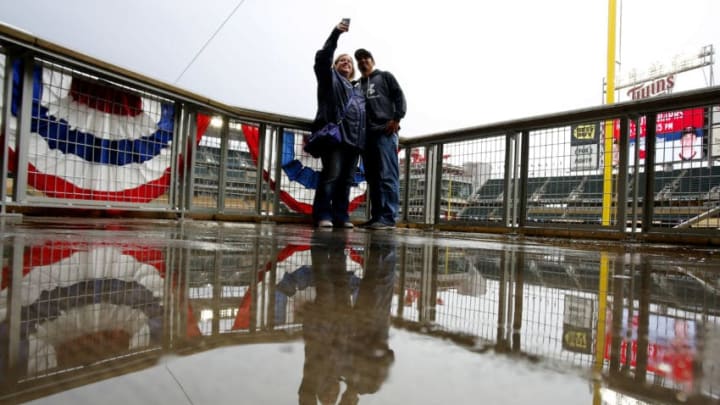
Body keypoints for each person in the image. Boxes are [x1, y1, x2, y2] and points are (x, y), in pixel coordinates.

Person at [310, 21, 366, 229]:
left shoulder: (357, 90)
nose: (346, 62)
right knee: (331, 175)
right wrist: (335, 34)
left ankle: (341, 215)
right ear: (334, 65)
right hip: (335, 137)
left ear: (352, 70)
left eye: (349, 62)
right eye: (342, 60)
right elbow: (323, 57)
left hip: (354, 142)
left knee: (346, 181)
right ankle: (322, 214)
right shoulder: (329, 78)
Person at [354, 48, 406, 230]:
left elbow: (399, 97)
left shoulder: (385, 76)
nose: (362, 61)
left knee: (388, 175)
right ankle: (377, 217)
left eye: (365, 57)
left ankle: (388, 218)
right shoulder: (357, 85)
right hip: (366, 137)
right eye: (359, 59)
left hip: (385, 132)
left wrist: (397, 118)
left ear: (372, 60)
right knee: (373, 178)